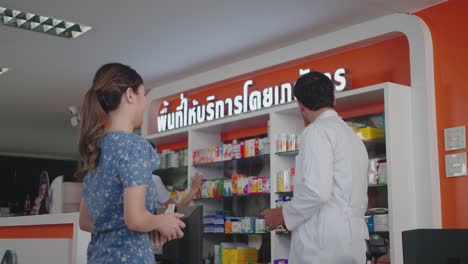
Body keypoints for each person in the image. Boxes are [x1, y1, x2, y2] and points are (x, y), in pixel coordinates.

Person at [77, 63, 185, 263]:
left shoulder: (95, 149)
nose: (145, 103)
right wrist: (160, 221)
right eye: (144, 95)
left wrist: (149, 226)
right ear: (130, 95)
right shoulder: (134, 147)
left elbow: (85, 221)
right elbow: (135, 219)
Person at [262, 71, 369, 263]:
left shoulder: (316, 132)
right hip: (353, 242)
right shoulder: (352, 137)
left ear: (300, 105)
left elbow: (316, 191)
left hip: (322, 245)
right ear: (334, 99)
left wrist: (283, 215)